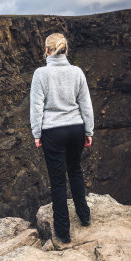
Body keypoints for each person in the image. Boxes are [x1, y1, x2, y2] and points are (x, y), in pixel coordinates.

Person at [30, 33, 94, 243]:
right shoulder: (76, 72)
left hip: (53, 131)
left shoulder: (41, 74)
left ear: (47, 51)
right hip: (76, 128)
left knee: (58, 182)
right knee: (75, 170)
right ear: (65, 49)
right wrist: (89, 131)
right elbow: (86, 104)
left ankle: (64, 234)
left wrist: (37, 134)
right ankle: (84, 218)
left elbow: (37, 107)